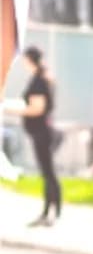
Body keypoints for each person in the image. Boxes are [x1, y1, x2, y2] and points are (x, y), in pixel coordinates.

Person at [4, 47, 61, 226]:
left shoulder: (38, 81)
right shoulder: (43, 78)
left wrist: (8, 109)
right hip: (42, 131)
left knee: (49, 173)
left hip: (42, 133)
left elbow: (37, 108)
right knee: (48, 173)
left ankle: (52, 213)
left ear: (30, 60)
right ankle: (49, 212)